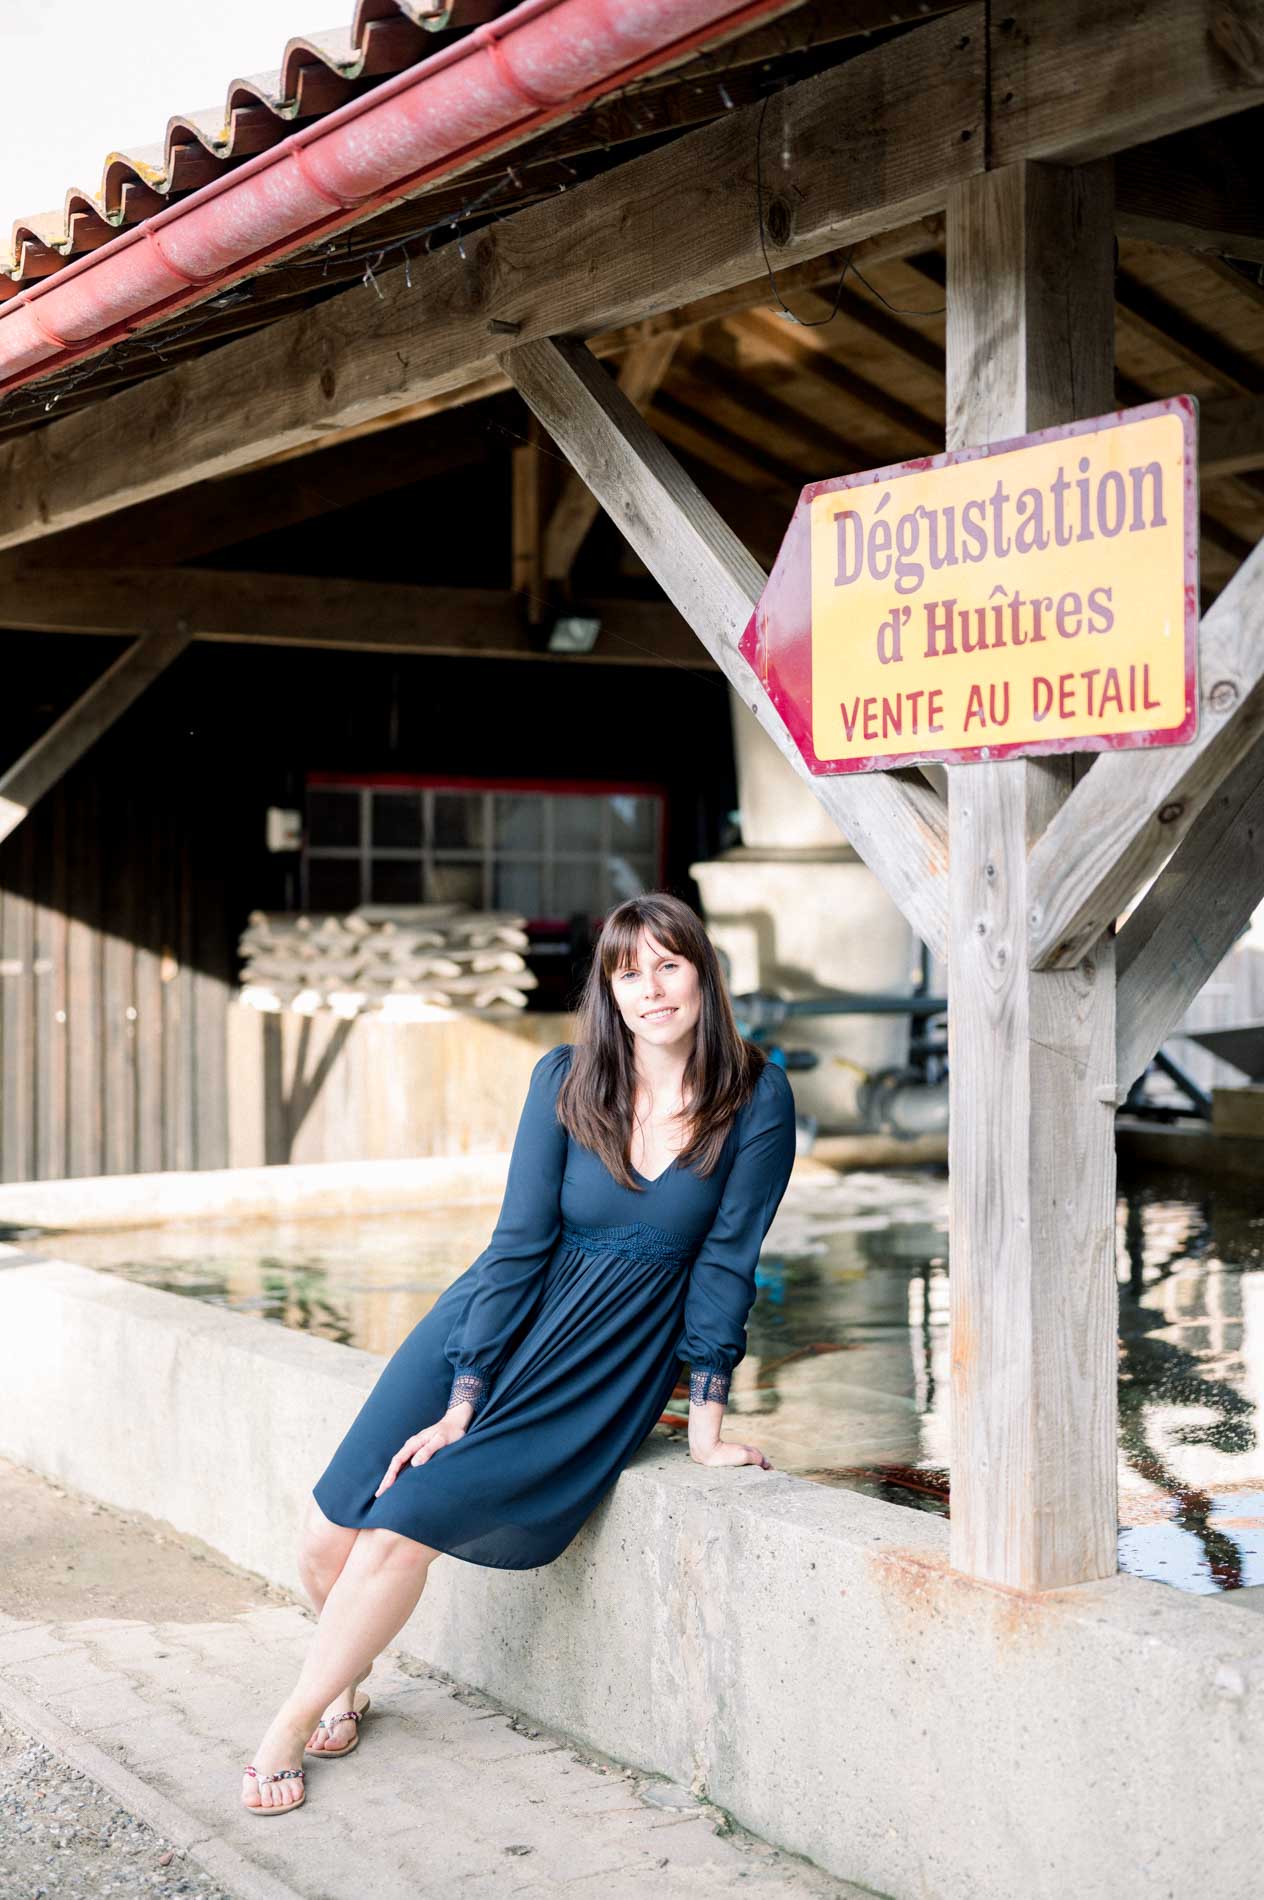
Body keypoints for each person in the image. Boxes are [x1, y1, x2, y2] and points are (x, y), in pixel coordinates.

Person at [241, 891, 798, 1813]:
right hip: (493, 1317)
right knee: (325, 1535)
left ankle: (288, 1723)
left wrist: (705, 1426)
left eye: (669, 965)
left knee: (395, 1530)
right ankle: (343, 1682)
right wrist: (463, 1394)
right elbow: (518, 1241)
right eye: (629, 972)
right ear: (608, 991)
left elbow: (727, 1267)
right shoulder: (564, 1080)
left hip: (604, 1357)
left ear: (702, 971)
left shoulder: (756, 1094)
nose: (651, 990)